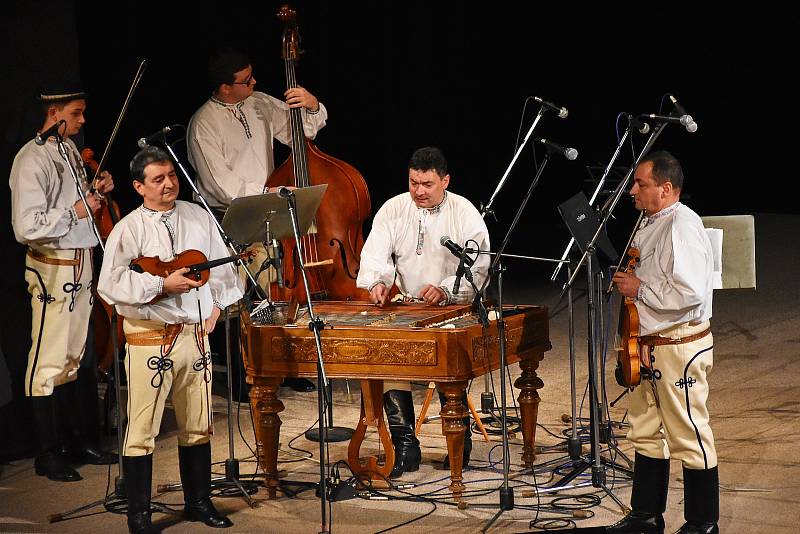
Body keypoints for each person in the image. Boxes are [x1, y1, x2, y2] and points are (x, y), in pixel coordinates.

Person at [98, 147, 243, 533]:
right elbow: (109, 284)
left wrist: (216, 305)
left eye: (171, 176)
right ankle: (140, 515)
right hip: (151, 337)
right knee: (142, 429)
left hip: (194, 336)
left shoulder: (197, 216)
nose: (168, 184)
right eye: (158, 179)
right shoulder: (129, 228)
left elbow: (224, 267)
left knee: (198, 423)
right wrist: (162, 282)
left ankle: (199, 502)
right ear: (138, 186)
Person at [186, 48, 326, 393]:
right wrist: (269, 189)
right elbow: (221, 184)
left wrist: (310, 104)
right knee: (239, 299)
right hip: (229, 215)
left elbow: (301, 132)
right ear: (224, 87)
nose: (254, 83)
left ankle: (285, 366)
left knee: (274, 288)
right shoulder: (203, 124)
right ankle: (243, 378)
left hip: (266, 206)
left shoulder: (258, 103)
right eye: (245, 81)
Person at [356, 146, 490, 477]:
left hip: (454, 307)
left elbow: (479, 261)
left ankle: (461, 444)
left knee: (447, 368)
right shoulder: (393, 209)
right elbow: (375, 255)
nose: (419, 191)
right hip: (410, 307)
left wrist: (447, 289)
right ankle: (405, 447)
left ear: (445, 181)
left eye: (427, 184)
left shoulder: (464, 211)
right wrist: (377, 283)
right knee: (388, 357)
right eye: (414, 182)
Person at [9, 86, 117, 483]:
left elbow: (78, 205)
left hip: (81, 262)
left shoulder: (69, 151)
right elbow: (27, 226)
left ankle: (77, 441)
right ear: (55, 112)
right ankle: (47, 452)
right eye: (77, 112)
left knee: (75, 357)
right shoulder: (30, 160)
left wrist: (95, 193)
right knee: (48, 360)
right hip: (52, 266)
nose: (83, 119)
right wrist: (76, 209)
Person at [610, 151, 718, 534]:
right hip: (648, 344)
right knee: (645, 430)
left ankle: (702, 524)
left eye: (641, 184)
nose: (632, 191)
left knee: (689, 432)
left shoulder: (682, 225)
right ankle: (646, 516)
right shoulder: (651, 220)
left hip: (678, 345)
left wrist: (639, 287)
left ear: (666, 188)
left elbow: (688, 291)